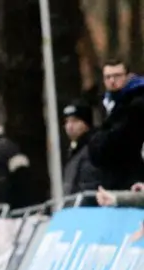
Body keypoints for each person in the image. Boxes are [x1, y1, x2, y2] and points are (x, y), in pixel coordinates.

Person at [88, 58, 144, 190]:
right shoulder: (107, 103)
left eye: (117, 76)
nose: (112, 81)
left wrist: (98, 142)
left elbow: (120, 141)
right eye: (108, 77)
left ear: (128, 76)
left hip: (132, 180)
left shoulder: (137, 103)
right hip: (116, 178)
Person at [61, 100, 102, 196]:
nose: (69, 126)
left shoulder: (93, 148)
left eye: (75, 121)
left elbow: (88, 188)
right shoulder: (75, 150)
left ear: (86, 124)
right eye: (67, 122)